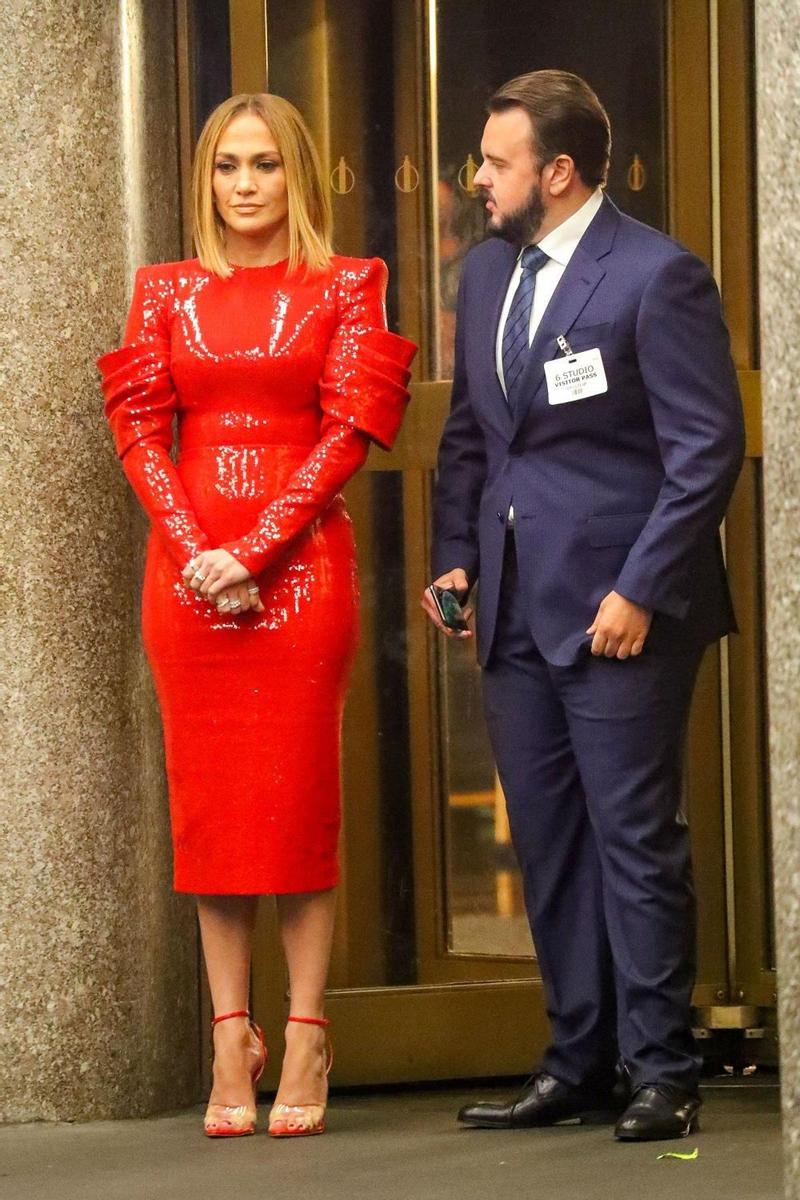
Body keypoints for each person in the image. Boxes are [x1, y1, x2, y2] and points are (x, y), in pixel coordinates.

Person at [423, 69, 744, 1141]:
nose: (476, 178)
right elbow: (472, 433)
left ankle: (660, 1069)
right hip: (513, 610)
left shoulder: (655, 276)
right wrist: (454, 557)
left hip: (621, 613)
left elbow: (702, 454)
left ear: (556, 173)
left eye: (494, 161)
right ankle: (577, 1061)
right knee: (550, 845)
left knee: (632, 841)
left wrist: (639, 588)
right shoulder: (483, 277)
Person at [98, 93, 415, 1139]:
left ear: (300, 177)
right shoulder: (162, 293)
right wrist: (200, 551)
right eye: (228, 166)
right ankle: (230, 1035)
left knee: (294, 801)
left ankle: (308, 1028)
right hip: (189, 579)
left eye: (266, 165)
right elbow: (141, 431)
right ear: (205, 180)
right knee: (213, 810)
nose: (245, 185)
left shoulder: (349, 285)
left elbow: (346, 431)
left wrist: (255, 547)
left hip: (302, 572)